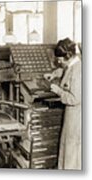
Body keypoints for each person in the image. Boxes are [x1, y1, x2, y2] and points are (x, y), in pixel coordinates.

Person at [44, 38, 81, 170]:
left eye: (60, 60)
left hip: (77, 116)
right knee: (68, 146)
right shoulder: (75, 64)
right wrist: (54, 74)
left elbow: (75, 98)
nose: (58, 62)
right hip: (73, 115)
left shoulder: (78, 71)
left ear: (68, 56)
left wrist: (59, 91)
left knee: (72, 150)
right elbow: (66, 70)